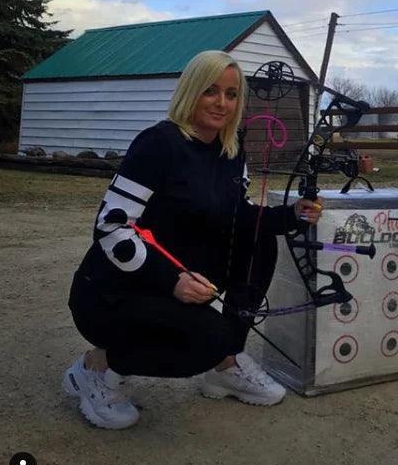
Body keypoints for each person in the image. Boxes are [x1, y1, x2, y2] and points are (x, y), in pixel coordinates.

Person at [62, 50, 320, 430]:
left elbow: (240, 216)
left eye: (232, 95)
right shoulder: (158, 144)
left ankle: (225, 365)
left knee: (261, 239)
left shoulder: (230, 151)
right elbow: (111, 226)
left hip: (171, 287)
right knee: (206, 341)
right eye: (211, 91)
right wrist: (173, 280)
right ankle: (95, 368)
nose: (222, 103)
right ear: (190, 91)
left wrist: (292, 214)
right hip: (112, 294)